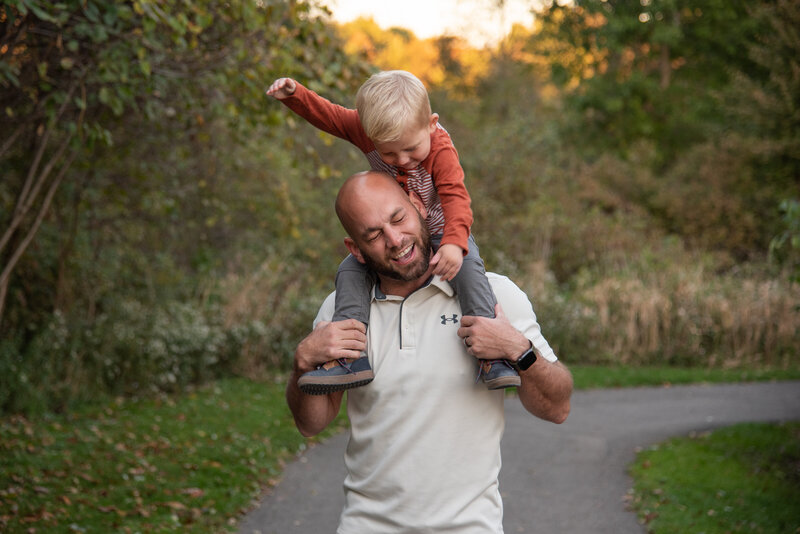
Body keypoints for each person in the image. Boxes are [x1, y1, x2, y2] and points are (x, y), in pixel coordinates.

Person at [287, 171, 573, 534]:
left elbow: (557, 408)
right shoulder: (340, 312)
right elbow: (311, 424)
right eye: (374, 235)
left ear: (419, 206)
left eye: (398, 218)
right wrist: (301, 366)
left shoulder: (495, 296)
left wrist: (518, 350)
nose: (395, 239)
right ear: (355, 249)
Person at [266, 70, 519, 394]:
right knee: (349, 270)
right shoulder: (368, 130)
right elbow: (328, 115)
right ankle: (349, 357)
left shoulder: (440, 149)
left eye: (412, 150)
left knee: (469, 271)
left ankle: (493, 358)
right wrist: (295, 94)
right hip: (398, 229)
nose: (403, 161)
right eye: (388, 154)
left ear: (431, 124)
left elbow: (457, 199)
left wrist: (455, 245)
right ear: (370, 135)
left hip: (444, 229)